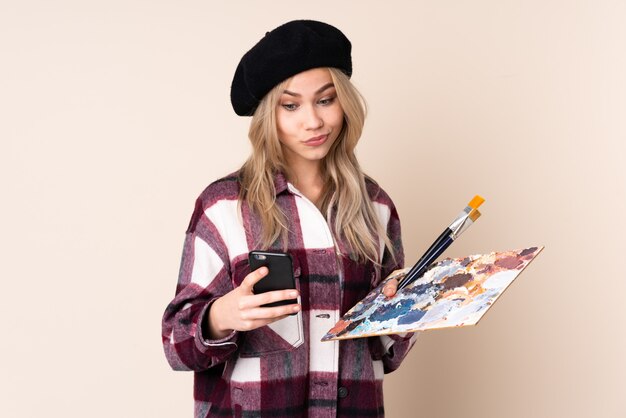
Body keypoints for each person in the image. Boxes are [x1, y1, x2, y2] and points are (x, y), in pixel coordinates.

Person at [162, 19, 418, 417]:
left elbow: (387, 355)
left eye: (326, 100)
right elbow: (176, 344)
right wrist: (223, 315)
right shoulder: (224, 206)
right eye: (291, 105)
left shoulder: (376, 207)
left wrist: (408, 307)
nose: (313, 121)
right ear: (269, 115)